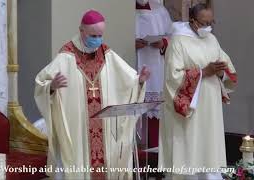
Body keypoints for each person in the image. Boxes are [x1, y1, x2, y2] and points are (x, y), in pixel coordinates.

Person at [34, 10, 150, 180]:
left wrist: (140, 81)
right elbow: (40, 84)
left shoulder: (106, 53)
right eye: (93, 35)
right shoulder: (66, 56)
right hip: (78, 129)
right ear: (81, 31)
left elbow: (127, 81)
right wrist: (51, 86)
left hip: (105, 129)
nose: (97, 39)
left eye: (100, 35)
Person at [159, 3, 237, 180]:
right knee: (191, 147)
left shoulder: (211, 39)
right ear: (192, 21)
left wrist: (220, 72)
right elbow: (172, 77)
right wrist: (203, 72)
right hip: (190, 108)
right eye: (204, 23)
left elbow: (228, 70)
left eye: (211, 22)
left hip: (210, 104)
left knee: (209, 145)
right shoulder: (178, 41)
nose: (208, 27)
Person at [135, 0, 172, 150]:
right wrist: (130, 42)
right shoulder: (123, 9)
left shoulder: (160, 10)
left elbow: (173, 36)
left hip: (155, 65)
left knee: (155, 110)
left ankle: (153, 153)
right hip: (132, 61)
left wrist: (163, 42)